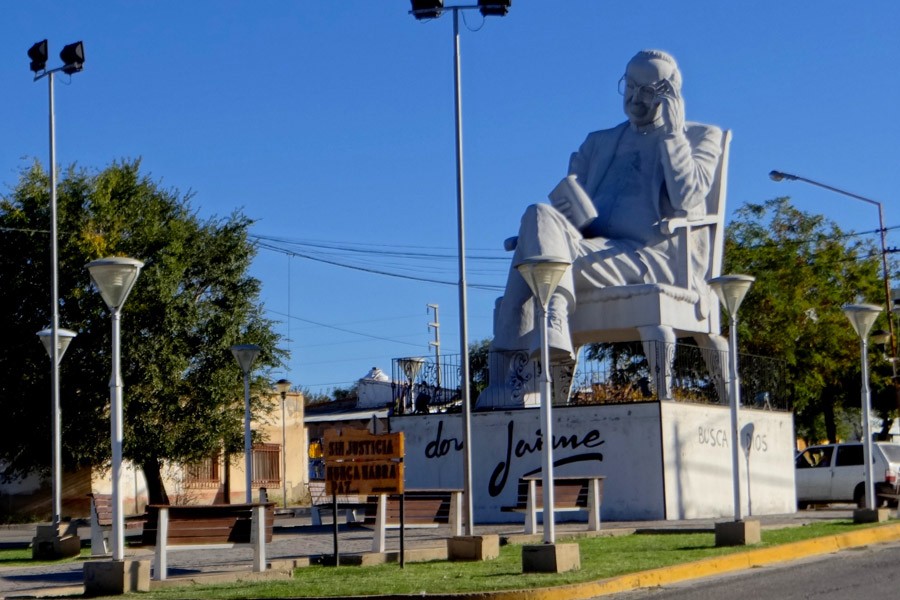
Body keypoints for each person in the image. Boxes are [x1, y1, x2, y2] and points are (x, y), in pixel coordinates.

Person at [491, 49, 723, 361]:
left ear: (671, 96)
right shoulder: (598, 142)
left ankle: (508, 372)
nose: (635, 98)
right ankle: (554, 314)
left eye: (648, 91)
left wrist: (673, 133)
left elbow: (687, 197)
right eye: (630, 86)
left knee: (532, 264)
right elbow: (568, 208)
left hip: (647, 257)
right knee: (537, 213)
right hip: (593, 248)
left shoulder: (699, 137)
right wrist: (541, 234)